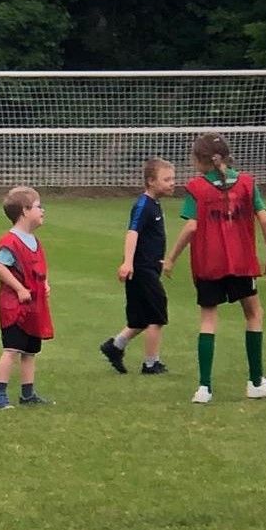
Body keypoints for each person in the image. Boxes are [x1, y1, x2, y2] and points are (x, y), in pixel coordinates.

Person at [162, 132, 266, 404]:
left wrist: (171, 258)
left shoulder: (197, 188)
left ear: (199, 160)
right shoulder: (247, 184)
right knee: (254, 314)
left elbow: (191, 226)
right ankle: (255, 381)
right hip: (241, 263)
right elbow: (265, 222)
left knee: (208, 320)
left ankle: (204, 388)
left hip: (209, 264)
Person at [100, 159, 176, 375]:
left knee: (141, 317)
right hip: (141, 269)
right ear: (151, 181)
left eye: (172, 178)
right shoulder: (143, 205)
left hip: (149, 267)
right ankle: (151, 363)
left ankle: (115, 346)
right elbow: (133, 232)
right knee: (157, 315)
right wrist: (128, 262)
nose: (172, 183)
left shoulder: (154, 204)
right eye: (167, 179)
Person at [0, 186, 54, 409]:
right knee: (12, 350)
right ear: (24, 211)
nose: (42, 211)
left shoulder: (35, 241)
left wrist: (44, 285)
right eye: (38, 206)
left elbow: (39, 270)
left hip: (34, 307)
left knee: (30, 351)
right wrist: (19, 288)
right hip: (15, 308)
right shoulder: (11, 241)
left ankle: (28, 393)